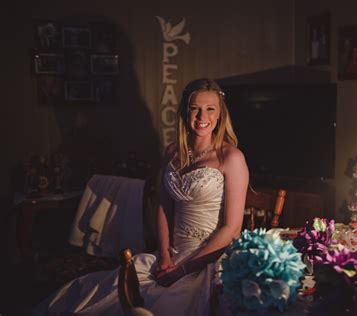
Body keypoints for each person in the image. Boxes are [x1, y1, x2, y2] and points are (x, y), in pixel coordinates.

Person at [32, 78, 249, 315]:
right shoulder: (173, 152)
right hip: (170, 255)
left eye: (210, 109)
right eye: (195, 108)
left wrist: (182, 271)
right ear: (185, 111)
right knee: (108, 294)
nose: (201, 116)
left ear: (220, 115)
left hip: (207, 259)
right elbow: (164, 208)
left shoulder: (231, 157)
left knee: (167, 305)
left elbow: (232, 228)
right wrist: (165, 255)